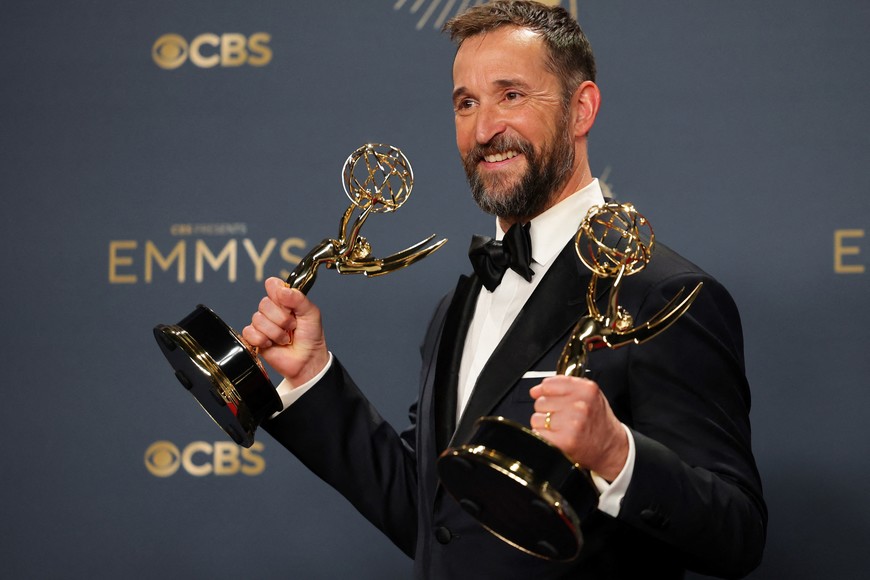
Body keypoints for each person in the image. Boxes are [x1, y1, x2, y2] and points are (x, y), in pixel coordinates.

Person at [242, 1, 767, 578]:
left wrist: (618, 455)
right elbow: (432, 517)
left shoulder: (662, 293)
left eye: (511, 95)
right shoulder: (457, 305)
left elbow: (737, 534)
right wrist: (311, 377)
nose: (485, 129)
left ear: (580, 109)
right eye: (466, 103)